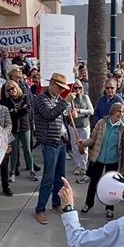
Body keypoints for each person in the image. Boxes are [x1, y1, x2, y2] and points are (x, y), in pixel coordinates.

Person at [32, 73, 75, 225]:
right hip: (50, 142)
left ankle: (56, 203)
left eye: (62, 88)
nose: (61, 90)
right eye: (59, 87)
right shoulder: (41, 99)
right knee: (48, 177)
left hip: (60, 141)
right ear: (51, 83)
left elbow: (59, 117)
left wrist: (69, 114)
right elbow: (49, 114)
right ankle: (40, 209)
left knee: (59, 176)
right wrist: (65, 102)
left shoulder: (56, 99)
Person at [79, 103, 124, 218]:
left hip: (113, 161)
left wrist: (123, 167)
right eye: (118, 111)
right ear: (112, 111)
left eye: (122, 112)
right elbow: (92, 139)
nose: (120, 114)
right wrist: (83, 142)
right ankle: (88, 204)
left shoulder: (123, 130)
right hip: (99, 159)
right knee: (93, 183)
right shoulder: (101, 123)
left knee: (111, 186)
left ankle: (109, 208)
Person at [2, 80, 37, 183]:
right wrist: (18, 111)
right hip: (13, 129)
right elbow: (10, 113)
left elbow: (27, 110)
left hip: (24, 127)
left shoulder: (24, 97)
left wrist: (16, 111)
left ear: (16, 87)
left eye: (13, 88)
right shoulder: (7, 101)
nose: (11, 91)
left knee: (27, 149)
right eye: (8, 90)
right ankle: (12, 172)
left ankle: (32, 171)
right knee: (14, 151)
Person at [68, 82, 94, 180]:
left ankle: (83, 166)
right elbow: (66, 112)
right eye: (75, 88)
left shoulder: (85, 97)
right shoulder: (70, 99)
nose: (77, 89)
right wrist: (70, 111)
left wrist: (79, 111)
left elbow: (91, 111)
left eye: (79, 87)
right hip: (73, 126)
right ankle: (78, 165)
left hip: (84, 125)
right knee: (75, 147)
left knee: (84, 147)